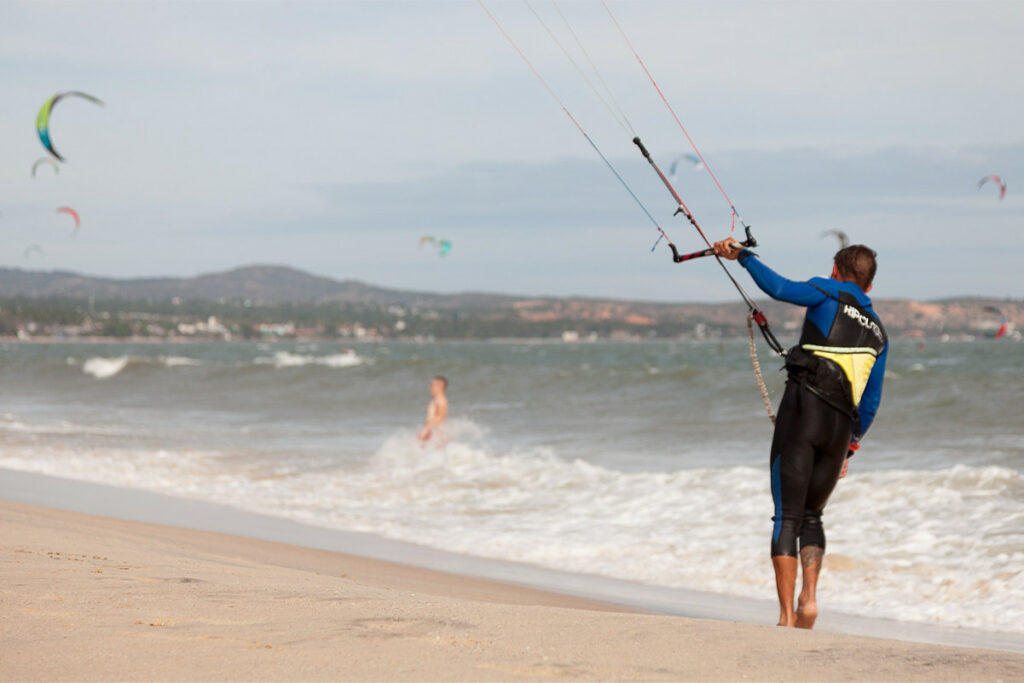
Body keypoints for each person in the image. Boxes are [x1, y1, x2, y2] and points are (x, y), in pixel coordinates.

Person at [712, 237, 888, 629]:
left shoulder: (826, 290)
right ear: (870, 287)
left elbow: (778, 288)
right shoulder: (879, 333)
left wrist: (742, 255)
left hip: (804, 413)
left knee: (787, 517)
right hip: (841, 428)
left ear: (836, 271)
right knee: (813, 516)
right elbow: (872, 401)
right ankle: (810, 598)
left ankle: (788, 616)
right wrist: (850, 449)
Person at [417, 376, 449, 445]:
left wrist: (425, 429)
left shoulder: (441, 399)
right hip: (433, 433)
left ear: (439, 386)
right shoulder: (437, 400)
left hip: (436, 434)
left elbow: (440, 417)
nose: (429, 387)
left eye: (432, 385)